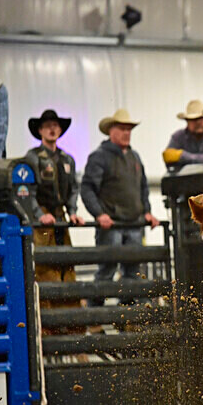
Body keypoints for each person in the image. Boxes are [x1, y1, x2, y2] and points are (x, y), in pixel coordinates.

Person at [80, 109, 160, 304]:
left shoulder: (134, 157)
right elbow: (87, 188)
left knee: (132, 272)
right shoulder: (100, 157)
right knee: (107, 270)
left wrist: (147, 211)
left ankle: (124, 318)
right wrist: (99, 214)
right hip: (112, 225)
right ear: (111, 131)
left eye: (129, 129)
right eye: (122, 129)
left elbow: (142, 187)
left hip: (134, 224)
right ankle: (95, 317)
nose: (127, 133)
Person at [25, 109, 85, 319]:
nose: (52, 129)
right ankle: (49, 324)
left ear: (60, 130)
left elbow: (73, 189)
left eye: (55, 126)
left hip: (60, 218)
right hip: (44, 218)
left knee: (66, 267)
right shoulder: (33, 158)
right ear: (40, 130)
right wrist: (38, 214)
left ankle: (71, 324)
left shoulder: (67, 159)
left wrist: (73, 211)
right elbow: (28, 190)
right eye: (47, 126)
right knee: (45, 268)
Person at [163, 100, 203, 172]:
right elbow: (170, 166)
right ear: (187, 121)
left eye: (201, 118)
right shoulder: (178, 137)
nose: (198, 122)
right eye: (194, 119)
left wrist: (182, 156)